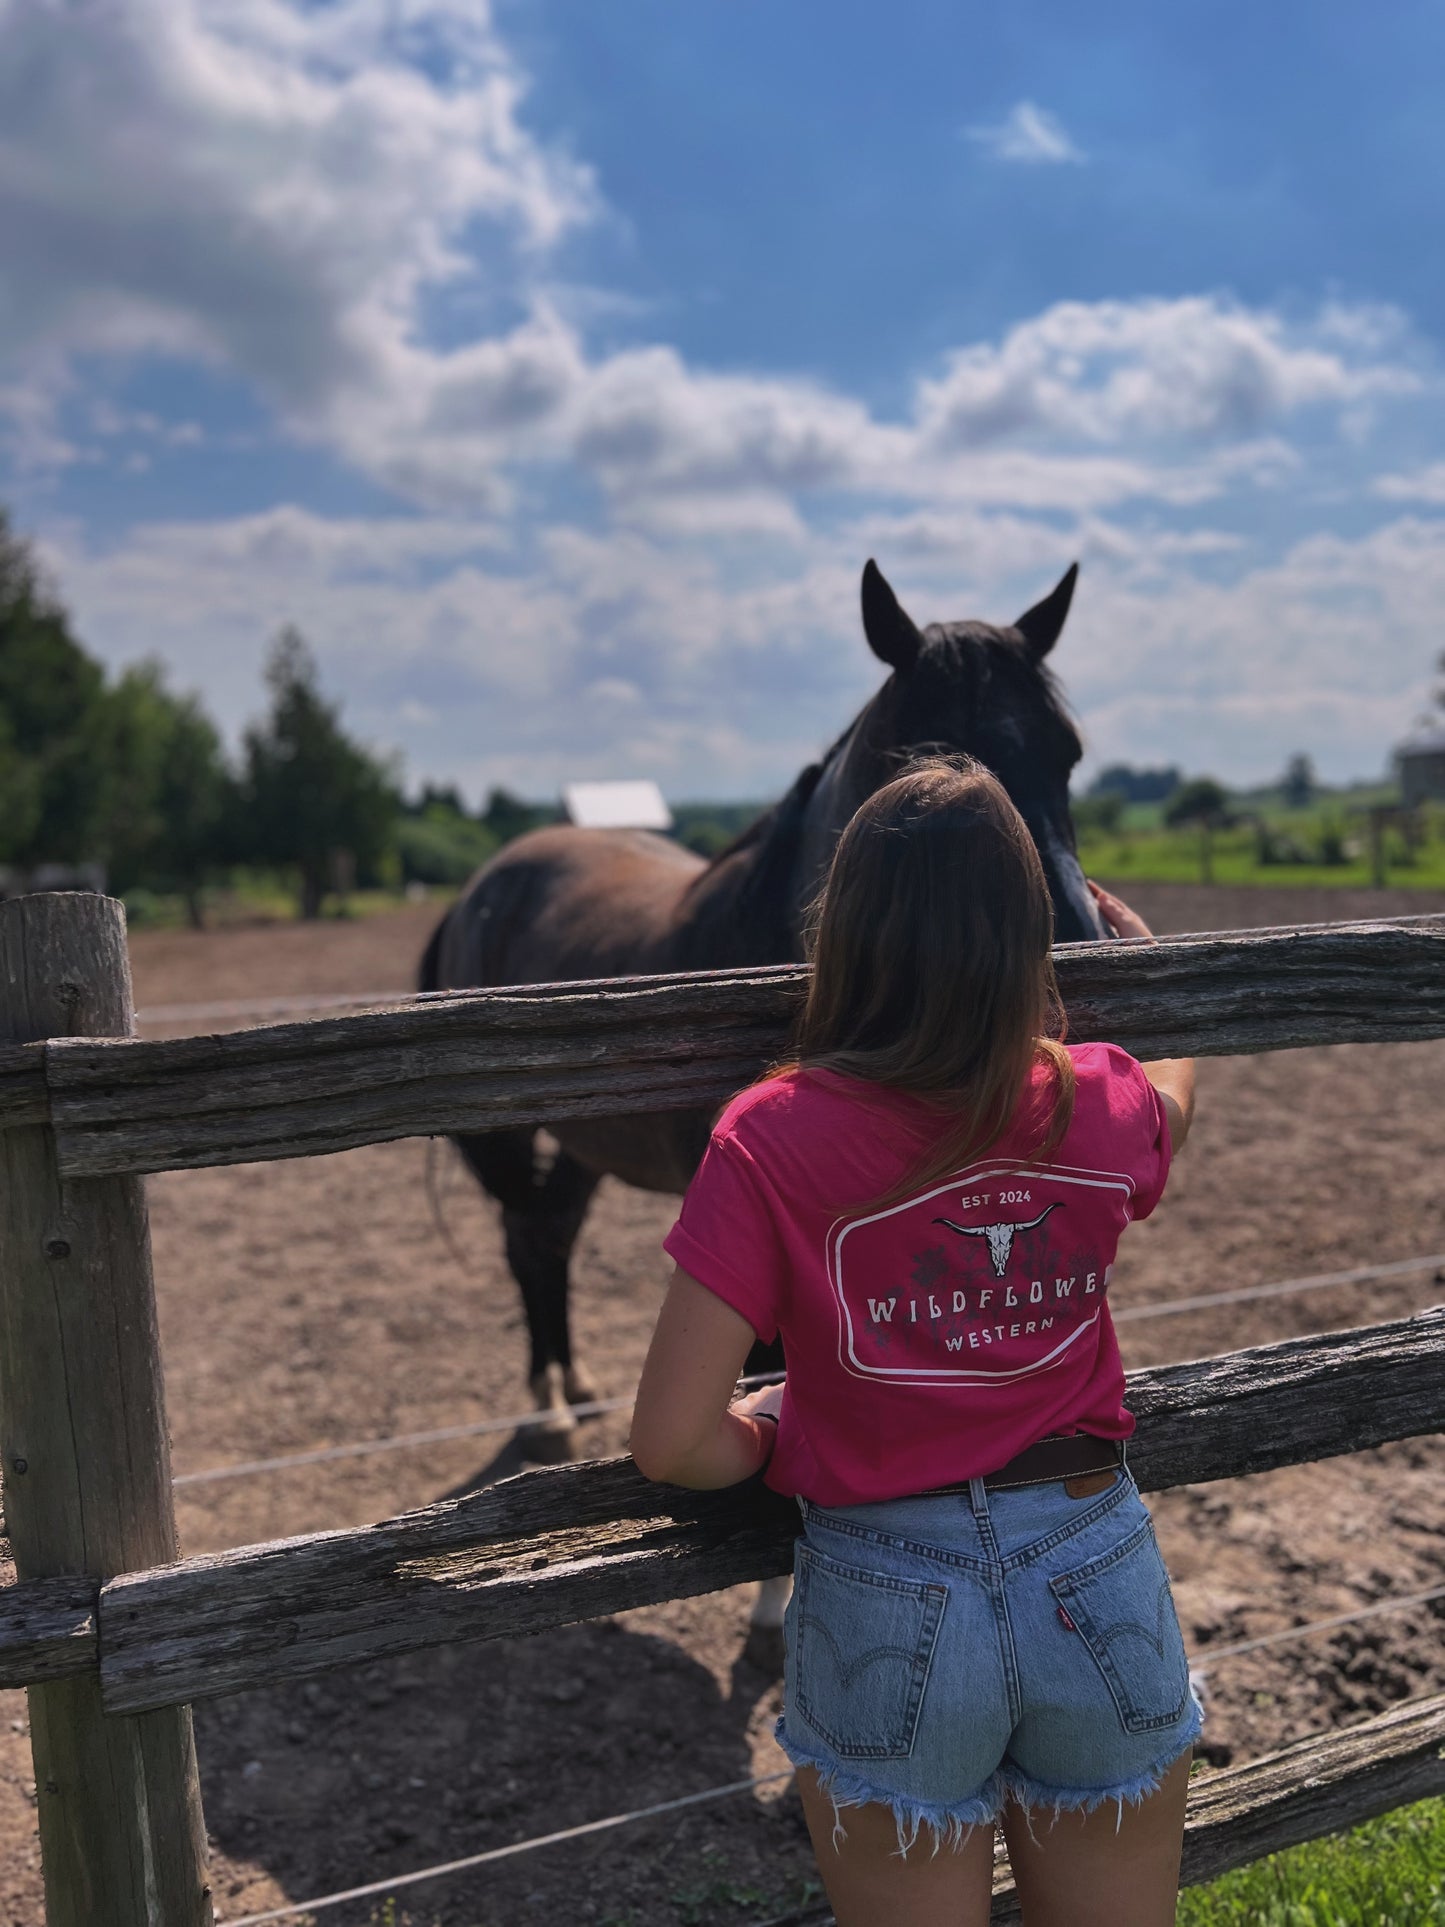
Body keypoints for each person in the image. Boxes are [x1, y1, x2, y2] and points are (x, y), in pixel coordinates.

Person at [631, 756, 1199, 1927]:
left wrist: (769, 1432)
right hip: (1093, 1559)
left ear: (845, 933)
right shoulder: (1092, 1098)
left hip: (883, 1586)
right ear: (1026, 936)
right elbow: (1169, 1091)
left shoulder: (769, 1136)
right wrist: (1135, 969)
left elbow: (671, 1439)